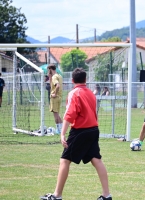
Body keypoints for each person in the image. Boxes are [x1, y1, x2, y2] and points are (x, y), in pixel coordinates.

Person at [40, 68, 112, 200]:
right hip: (94, 129)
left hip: (80, 131)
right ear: (85, 80)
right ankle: (106, 195)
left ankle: (57, 195)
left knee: (65, 160)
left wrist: (62, 134)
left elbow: (69, 115)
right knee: (96, 159)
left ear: (72, 80)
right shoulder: (91, 93)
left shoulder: (74, 93)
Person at [48, 64, 63, 134]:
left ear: (50, 69)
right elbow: (52, 85)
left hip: (55, 97)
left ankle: (59, 130)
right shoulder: (59, 76)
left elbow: (57, 86)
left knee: (55, 115)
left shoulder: (54, 77)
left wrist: (55, 94)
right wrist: (49, 77)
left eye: (48, 70)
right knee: (57, 114)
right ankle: (61, 129)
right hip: (59, 97)